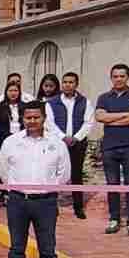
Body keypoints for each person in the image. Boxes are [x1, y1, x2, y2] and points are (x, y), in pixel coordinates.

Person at [0, 101, 70, 258]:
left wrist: (47, 189)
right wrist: (15, 190)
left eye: (36, 117)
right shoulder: (11, 142)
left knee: (47, 250)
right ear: (22, 119)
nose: (32, 121)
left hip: (46, 203)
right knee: (16, 248)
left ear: (43, 118)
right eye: (28, 118)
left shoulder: (57, 143)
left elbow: (64, 175)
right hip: (18, 201)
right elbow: (3, 171)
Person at [95, 63, 129, 239]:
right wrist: (126, 114)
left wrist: (112, 120)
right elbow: (99, 117)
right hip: (110, 146)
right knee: (112, 184)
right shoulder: (104, 97)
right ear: (111, 78)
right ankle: (114, 219)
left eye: (122, 76)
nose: (118, 79)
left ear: (127, 77)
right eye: (115, 76)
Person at [46, 72, 91, 219]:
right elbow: (49, 123)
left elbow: (88, 122)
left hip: (77, 144)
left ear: (76, 84)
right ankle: (52, 206)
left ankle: (78, 208)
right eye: (65, 82)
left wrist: (76, 138)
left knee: (76, 175)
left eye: (71, 82)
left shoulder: (85, 102)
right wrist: (62, 137)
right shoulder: (52, 102)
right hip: (57, 143)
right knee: (54, 174)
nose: (67, 85)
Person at [0, 81, 25, 206]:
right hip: (5, 139)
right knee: (5, 165)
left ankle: (18, 190)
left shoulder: (24, 106)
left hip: (22, 139)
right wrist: (8, 137)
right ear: (6, 92)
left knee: (19, 165)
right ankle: (5, 192)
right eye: (10, 90)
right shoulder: (0, 106)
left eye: (15, 90)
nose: (13, 93)